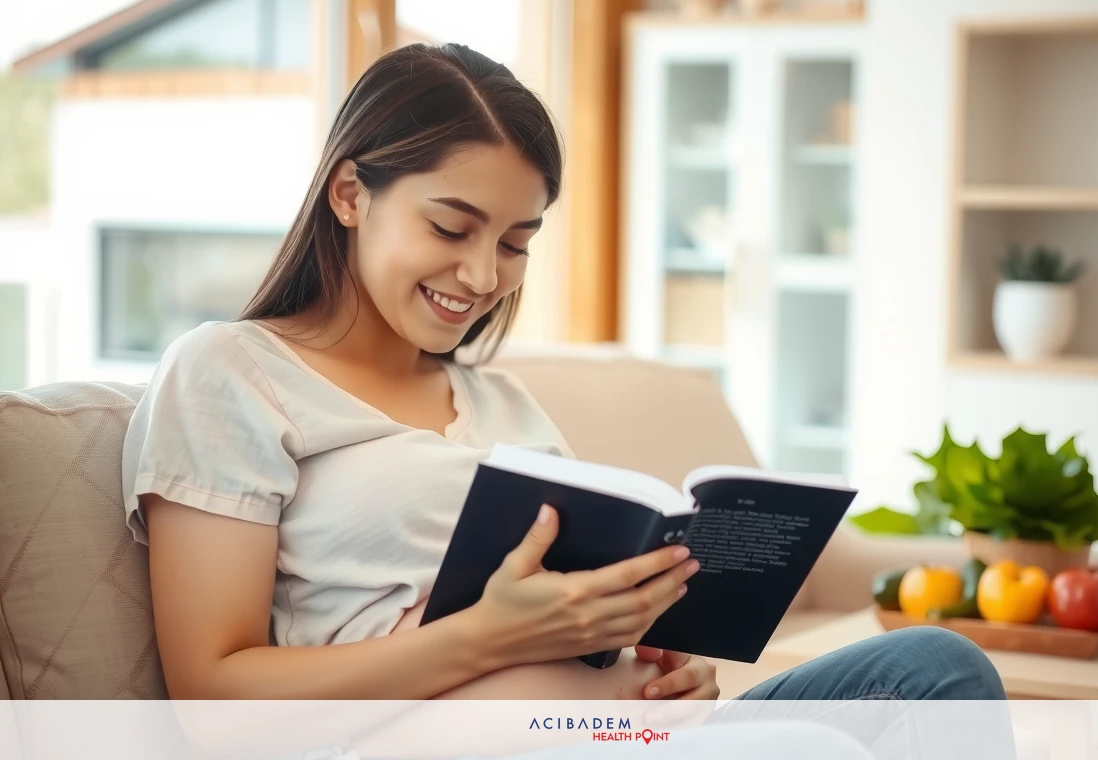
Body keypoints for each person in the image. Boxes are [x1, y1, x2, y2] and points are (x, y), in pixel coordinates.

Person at [121, 42, 1010, 755]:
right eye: (450, 226)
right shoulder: (231, 373)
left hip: (619, 729)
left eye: (515, 242)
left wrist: (663, 667)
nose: (481, 275)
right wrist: (483, 637)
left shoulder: (502, 404)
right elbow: (215, 702)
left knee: (940, 671)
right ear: (351, 193)